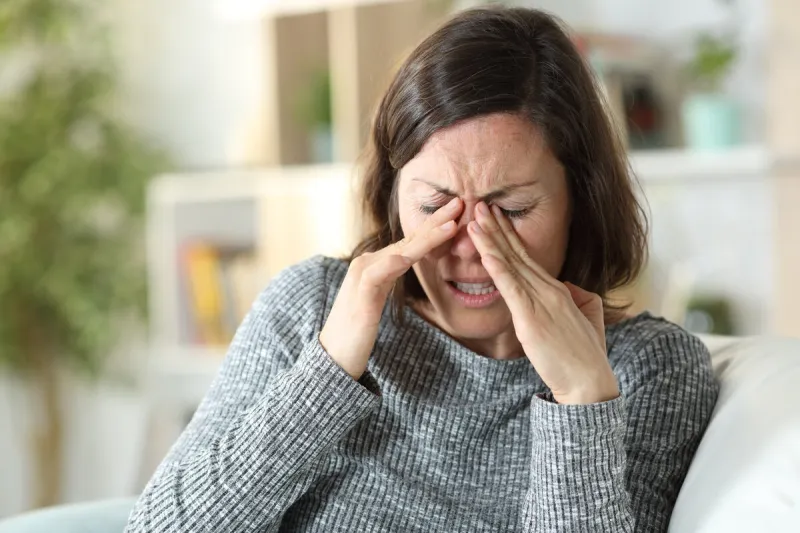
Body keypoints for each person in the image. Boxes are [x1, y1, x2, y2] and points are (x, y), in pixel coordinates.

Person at [126, 6, 718, 532]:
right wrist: (325, 376)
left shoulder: (649, 369)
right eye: (436, 207)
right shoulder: (314, 306)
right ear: (393, 195)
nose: (473, 247)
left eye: (512, 210)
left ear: (580, 201)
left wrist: (581, 399)